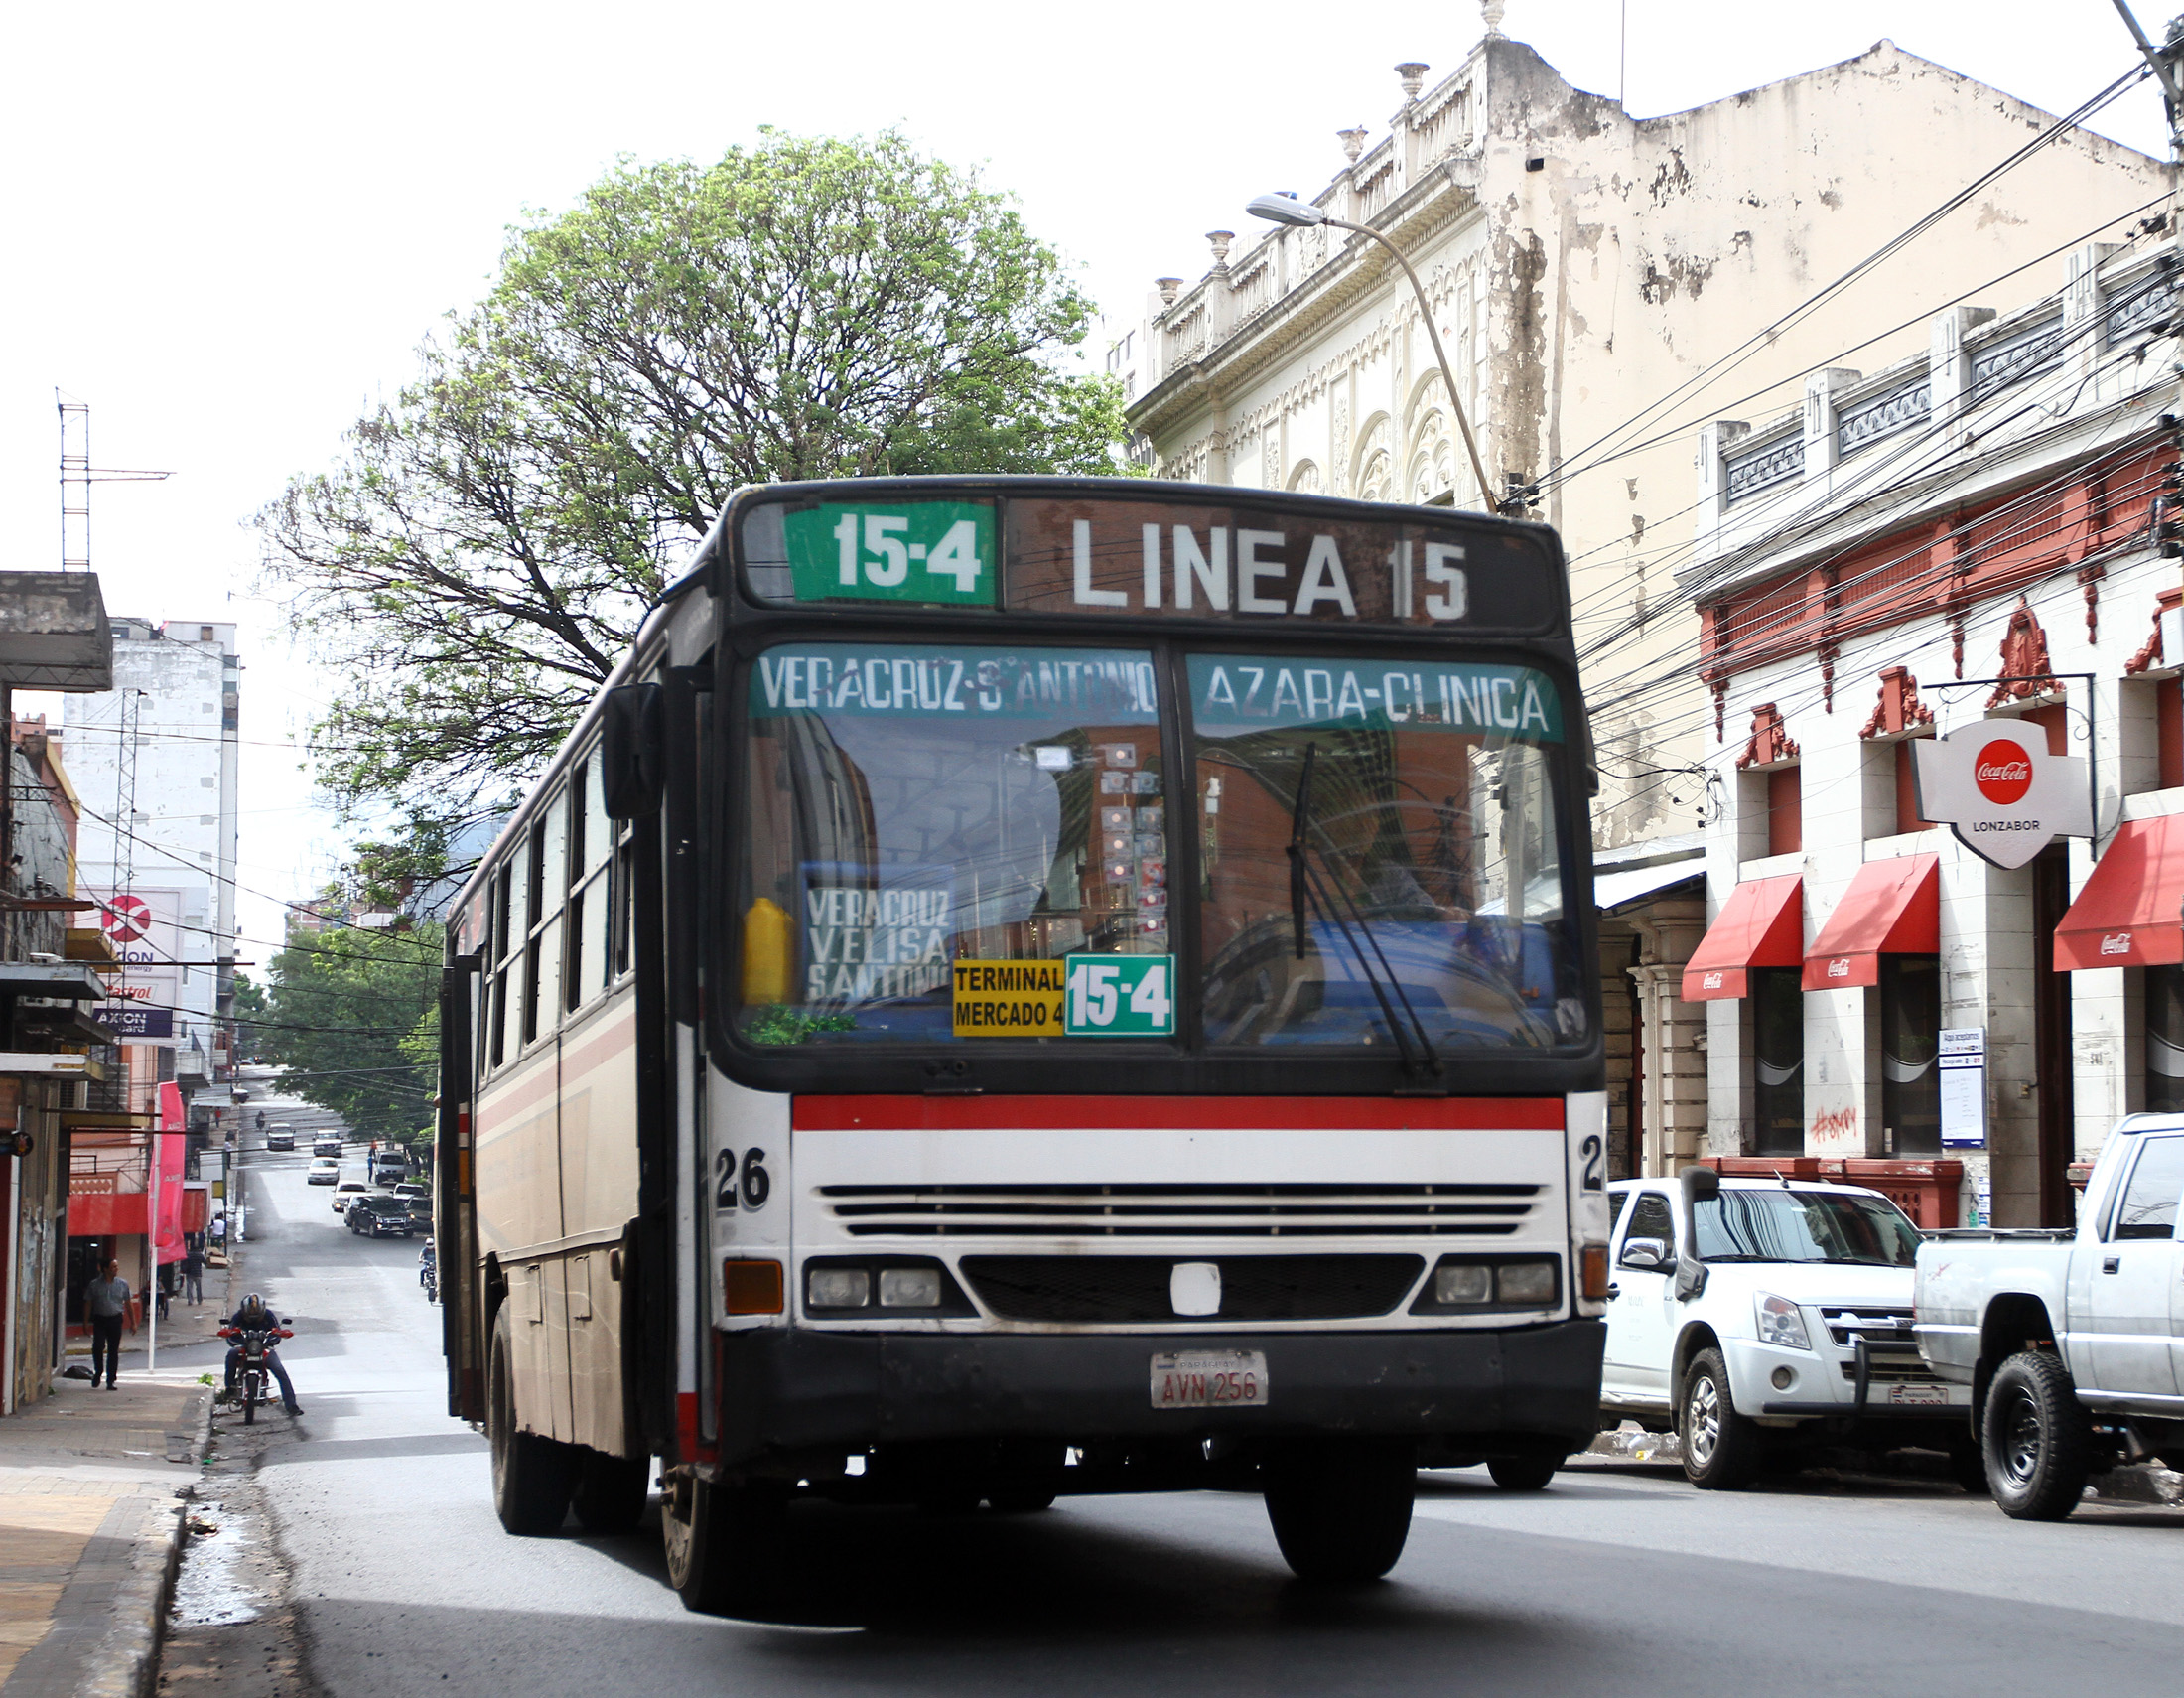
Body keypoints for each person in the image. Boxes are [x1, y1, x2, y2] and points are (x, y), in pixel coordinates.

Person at [221, 1291, 301, 1415]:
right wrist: (237, 1338)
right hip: (244, 1347)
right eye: (249, 1316)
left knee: (279, 1370)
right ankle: (230, 1387)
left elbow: (276, 1333)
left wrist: (271, 1339)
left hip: (263, 1348)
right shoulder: (238, 1316)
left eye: (257, 1316)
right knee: (231, 1354)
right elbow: (231, 1336)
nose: (253, 1318)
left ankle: (291, 1405)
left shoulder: (268, 1315)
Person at [84, 1258, 130, 1390]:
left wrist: (132, 1322)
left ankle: (111, 1380)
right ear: (105, 1269)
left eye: (117, 1267)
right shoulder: (94, 1285)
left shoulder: (122, 1284)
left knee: (113, 1350)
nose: (116, 1269)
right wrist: (86, 1322)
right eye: (113, 1267)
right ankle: (98, 1372)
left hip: (115, 1319)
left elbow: (128, 1303)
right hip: (100, 1319)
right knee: (98, 1346)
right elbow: (88, 1303)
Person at [182, 1241, 205, 1307]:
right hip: (198, 1273)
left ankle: (190, 1300)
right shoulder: (200, 1255)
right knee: (198, 1288)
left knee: (189, 1288)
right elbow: (205, 1262)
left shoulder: (188, 1255)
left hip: (189, 1273)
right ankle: (199, 1300)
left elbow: (183, 1262)